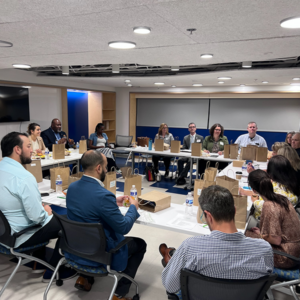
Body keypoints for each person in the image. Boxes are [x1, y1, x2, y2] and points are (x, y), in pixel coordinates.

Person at [160, 185, 273, 297]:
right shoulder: (264, 249)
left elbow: (170, 286)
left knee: (174, 263)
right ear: (234, 211)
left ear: (208, 216)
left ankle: (169, 255)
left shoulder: (191, 247)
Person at [66, 150, 146, 299]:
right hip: (102, 252)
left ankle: (84, 277)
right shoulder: (103, 195)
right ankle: (120, 294)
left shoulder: (72, 187)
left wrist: (113, 201)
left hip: (76, 248)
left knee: (86, 229)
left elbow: (87, 206)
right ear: (98, 168)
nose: (107, 169)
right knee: (140, 244)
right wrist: (133, 207)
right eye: (105, 166)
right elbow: (123, 227)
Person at [0, 132, 76, 281]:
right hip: (20, 235)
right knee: (69, 223)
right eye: (28, 146)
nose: (32, 150)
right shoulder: (24, 177)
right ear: (17, 150)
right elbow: (37, 217)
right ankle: (53, 271)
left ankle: (38, 262)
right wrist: (45, 212)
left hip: (3, 233)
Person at [246, 170, 300, 269]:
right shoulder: (282, 199)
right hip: (296, 251)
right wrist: (262, 234)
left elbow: (276, 240)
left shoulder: (269, 206)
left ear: (254, 190)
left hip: (286, 256)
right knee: (250, 234)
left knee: (244, 237)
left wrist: (261, 235)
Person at [243, 155, 299, 219]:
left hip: (263, 220)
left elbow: (269, 207)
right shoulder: (291, 183)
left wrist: (255, 201)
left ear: (271, 172)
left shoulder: (275, 187)